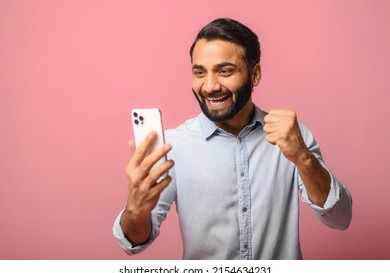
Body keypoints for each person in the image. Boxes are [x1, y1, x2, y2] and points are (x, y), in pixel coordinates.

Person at [113, 18, 352, 259]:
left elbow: (340, 218)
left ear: (255, 74)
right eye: (199, 72)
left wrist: (303, 158)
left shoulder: (291, 136)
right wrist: (136, 207)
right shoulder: (173, 146)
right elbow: (134, 243)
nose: (209, 86)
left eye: (224, 71)